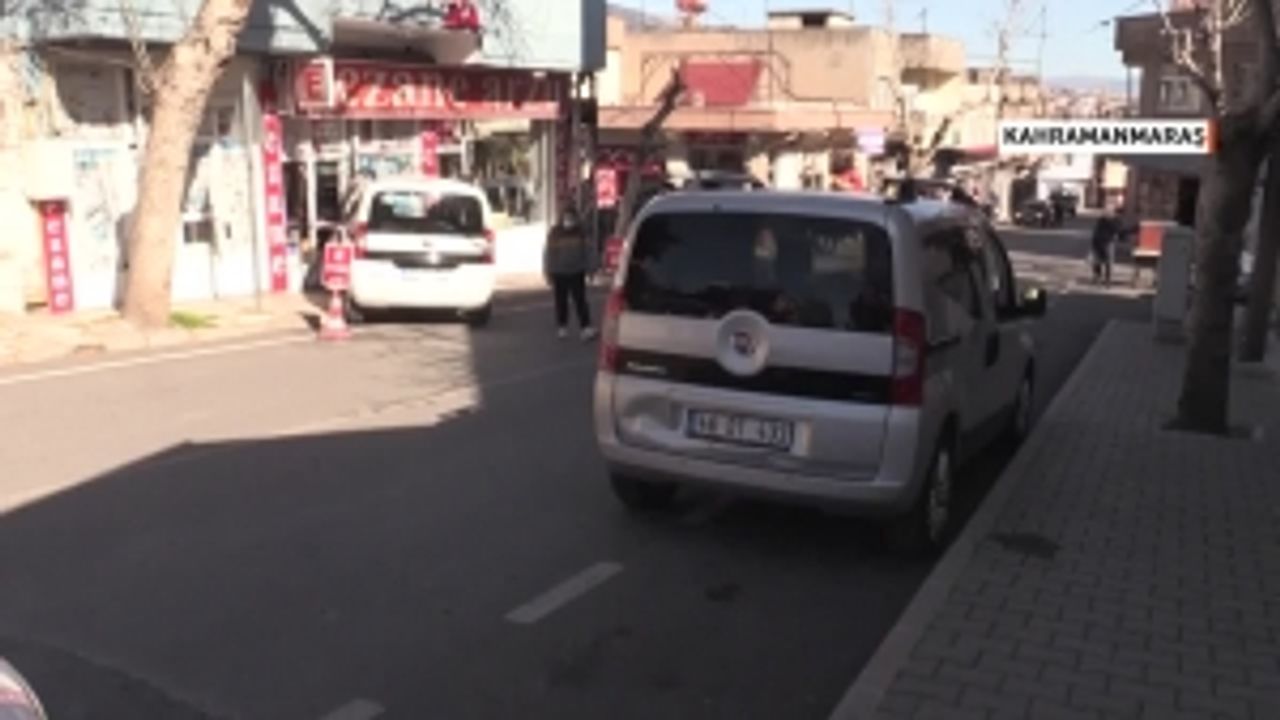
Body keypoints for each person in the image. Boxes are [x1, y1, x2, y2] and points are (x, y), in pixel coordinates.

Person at [544, 205, 597, 340]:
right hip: (559, 272)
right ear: (561, 217)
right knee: (561, 301)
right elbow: (549, 254)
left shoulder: (581, 232)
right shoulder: (555, 233)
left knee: (580, 300)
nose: (569, 220)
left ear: (576, 218)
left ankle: (585, 328)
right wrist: (548, 271)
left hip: (577, 271)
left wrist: (591, 269)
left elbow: (588, 251)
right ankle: (562, 326)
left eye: (571, 218)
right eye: (566, 217)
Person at [1091, 206, 1120, 285]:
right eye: (1106, 212)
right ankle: (1098, 277)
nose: (1107, 213)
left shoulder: (1115, 220)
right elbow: (1097, 231)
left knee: (1108, 262)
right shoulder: (1101, 220)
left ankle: (1107, 279)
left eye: (1109, 212)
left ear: (1113, 213)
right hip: (1099, 242)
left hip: (1107, 242)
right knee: (1097, 261)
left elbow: (1117, 230)